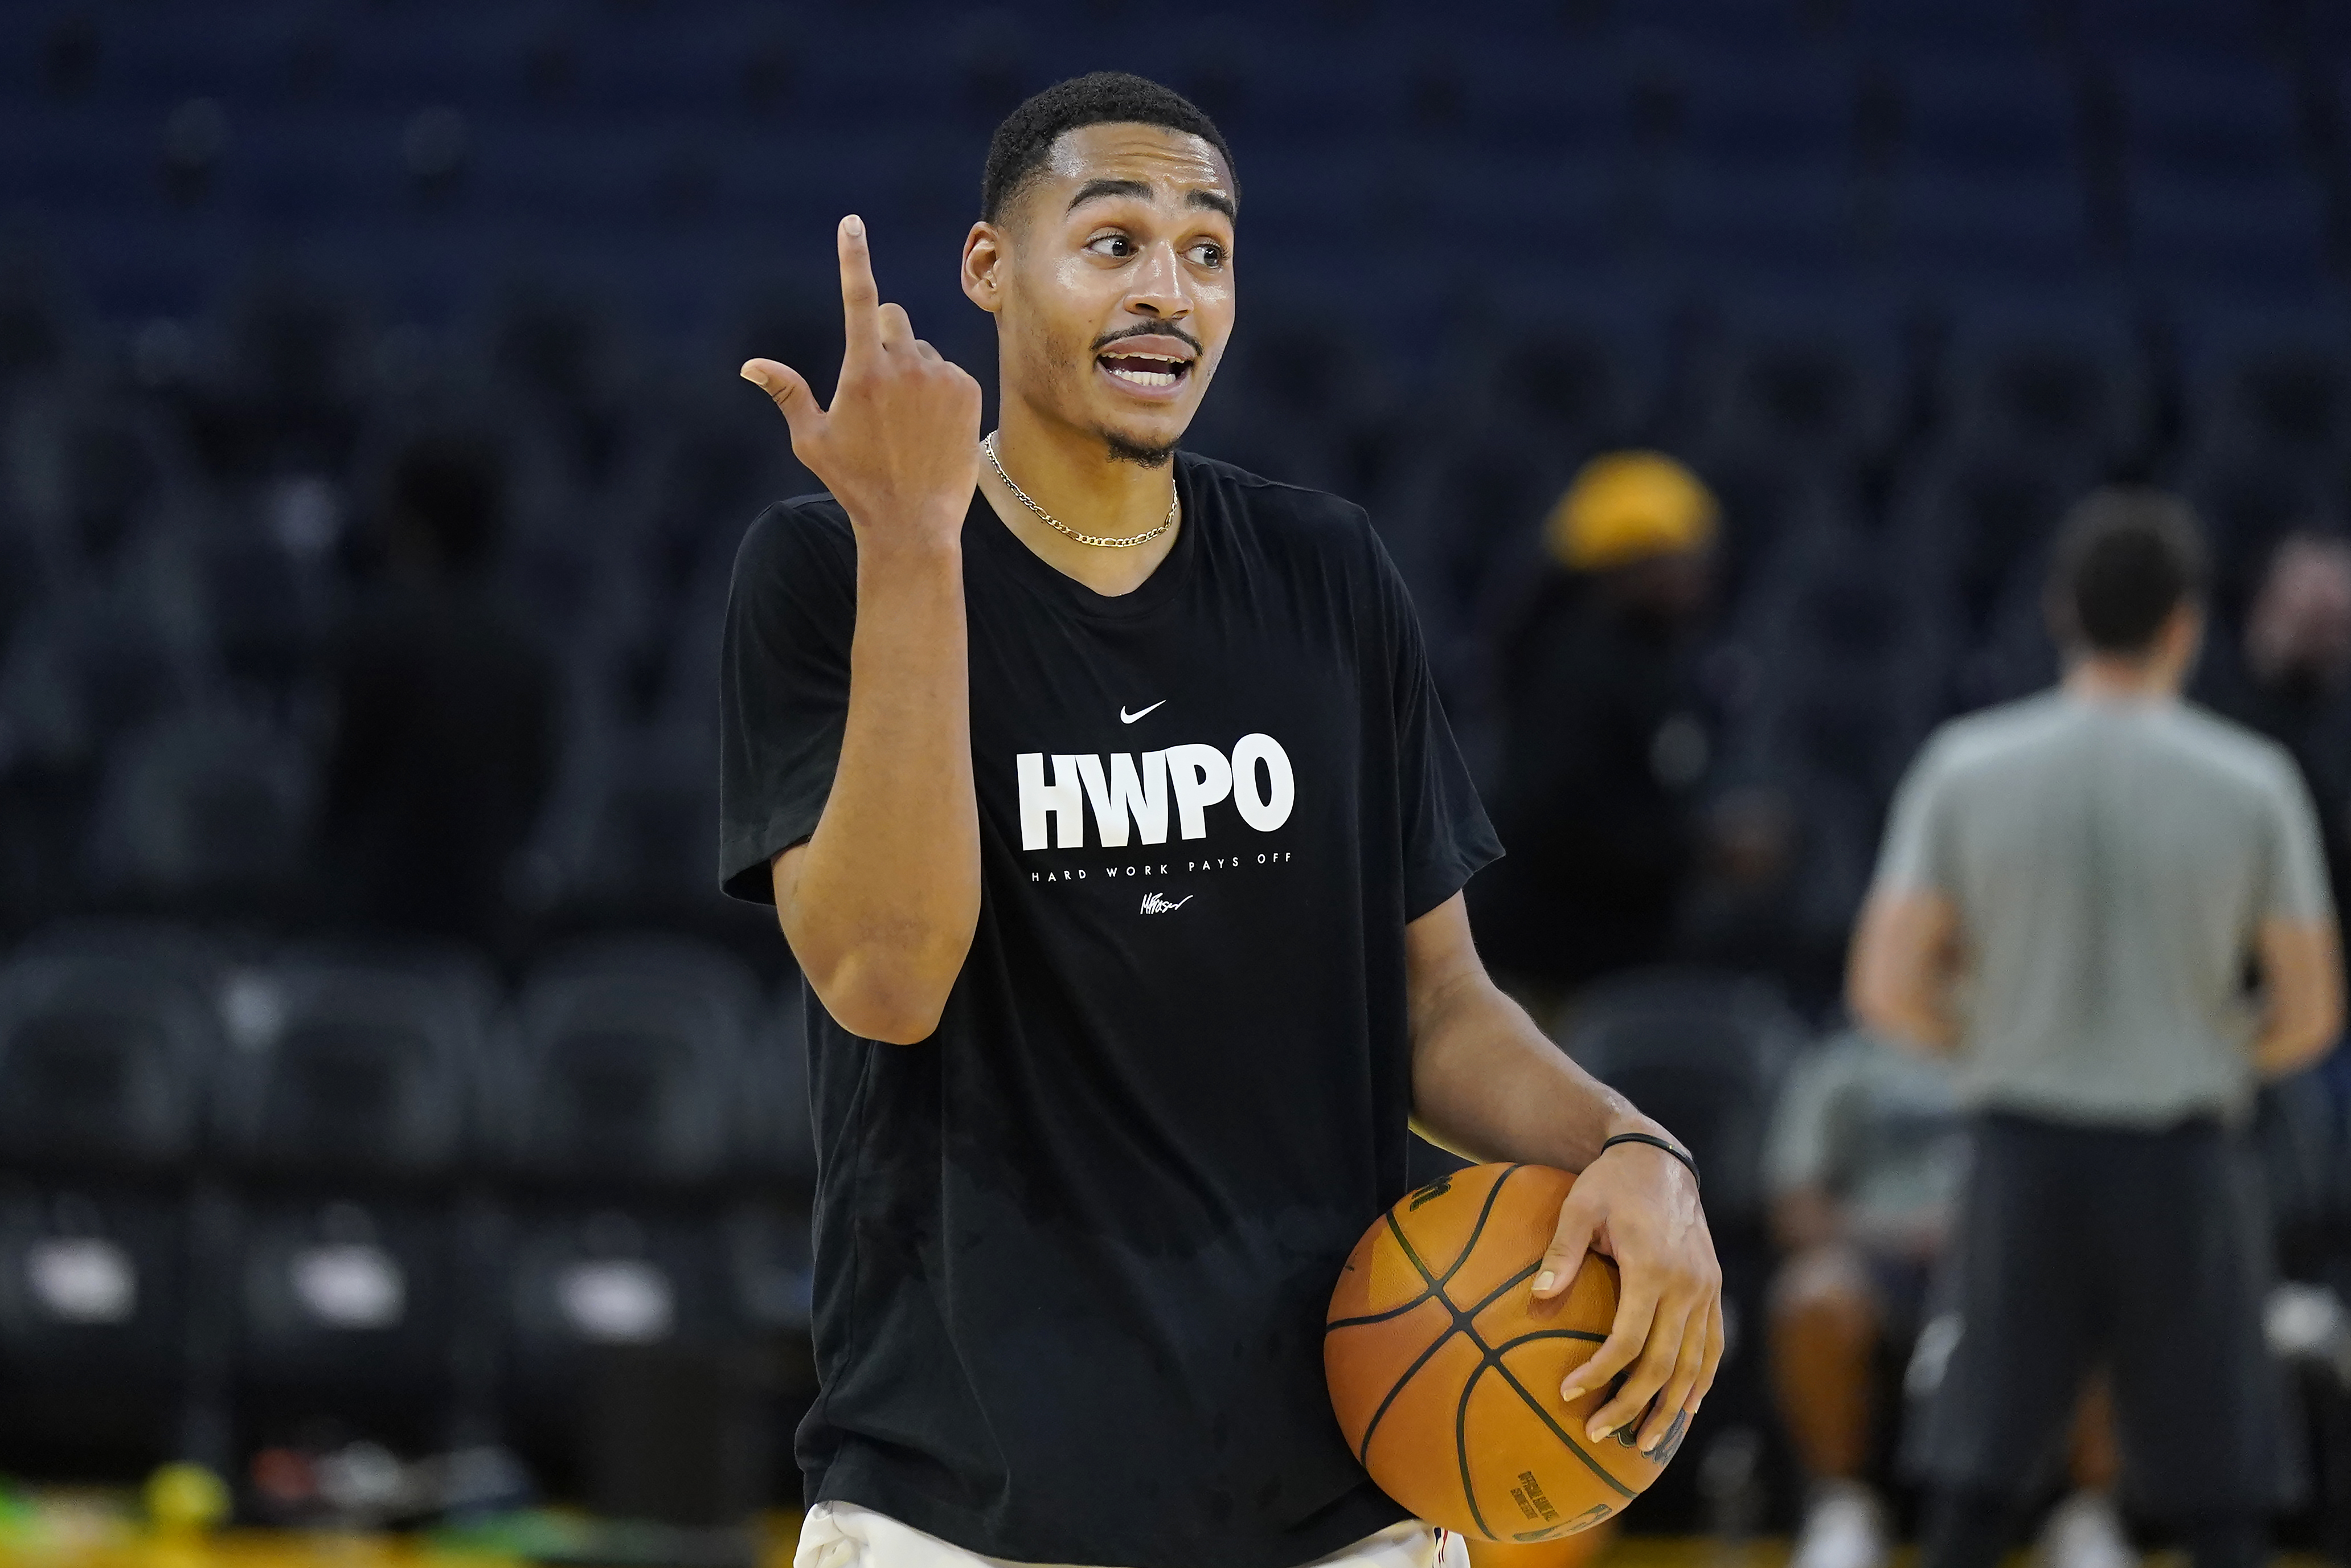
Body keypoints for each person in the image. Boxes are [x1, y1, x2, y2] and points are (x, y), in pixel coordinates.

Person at [720, 72, 1723, 1568]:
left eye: (1207, 251)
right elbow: (888, 972)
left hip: (1331, 1503)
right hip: (964, 1504)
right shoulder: (829, 570)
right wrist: (919, 543)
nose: (1168, 291)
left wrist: (1634, 1146)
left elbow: (1437, 1002)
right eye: (1112, 241)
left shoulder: (1327, 575)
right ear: (989, 270)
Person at [1846, 487, 2345, 1568]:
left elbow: (1883, 986)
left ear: (2060, 610)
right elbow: (2310, 1011)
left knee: (1974, 1486)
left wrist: (1987, 1038)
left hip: (2021, 1149)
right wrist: (2219, 1048)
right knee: (2221, 1497)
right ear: (2186, 621)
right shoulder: (2252, 780)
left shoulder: (1963, 766)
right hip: (2182, 1155)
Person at [1765, 1030, 2128, 1568]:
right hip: (1881, 1254)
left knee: (2111, 1289)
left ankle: (2086, 1516)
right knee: (1813, 1295)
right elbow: (1795, 1206)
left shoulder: (2047, 1055)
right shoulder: (1845, 1064)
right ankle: (1844, 1509)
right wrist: (1893, 1232)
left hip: (2021, 1262)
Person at [1471, 452, 1719, 1016]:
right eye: (1679, 555)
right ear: (1626, 562)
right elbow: (1563, 813)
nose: (1697, 571)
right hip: (1552, 955)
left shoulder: (1643, 657)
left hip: (1601, 953)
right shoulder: (1579, 665)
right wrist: (1697, 850)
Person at [320, 433, 558, 948]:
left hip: (376, 917)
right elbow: (536, 783)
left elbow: (341, 784)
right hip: (482, 916)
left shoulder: (373, 635)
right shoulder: (523, 648)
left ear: (408, 523)